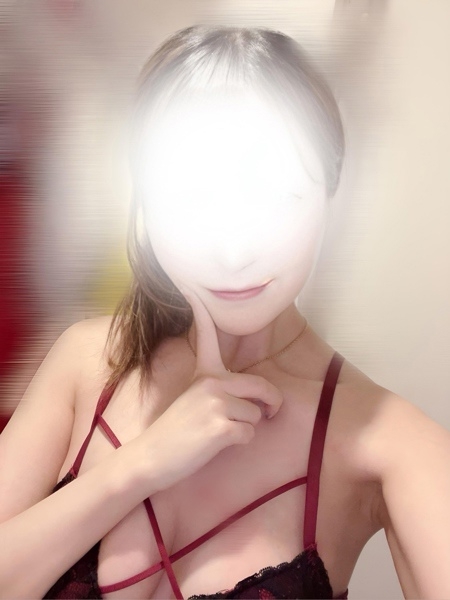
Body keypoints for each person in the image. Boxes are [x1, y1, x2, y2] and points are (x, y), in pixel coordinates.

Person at [0, 25, 449, 600]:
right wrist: (143, 464)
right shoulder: (87, 362)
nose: (235, 254)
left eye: (279, 198)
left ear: (332, 196)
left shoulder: (390, 442)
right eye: (192, 200)